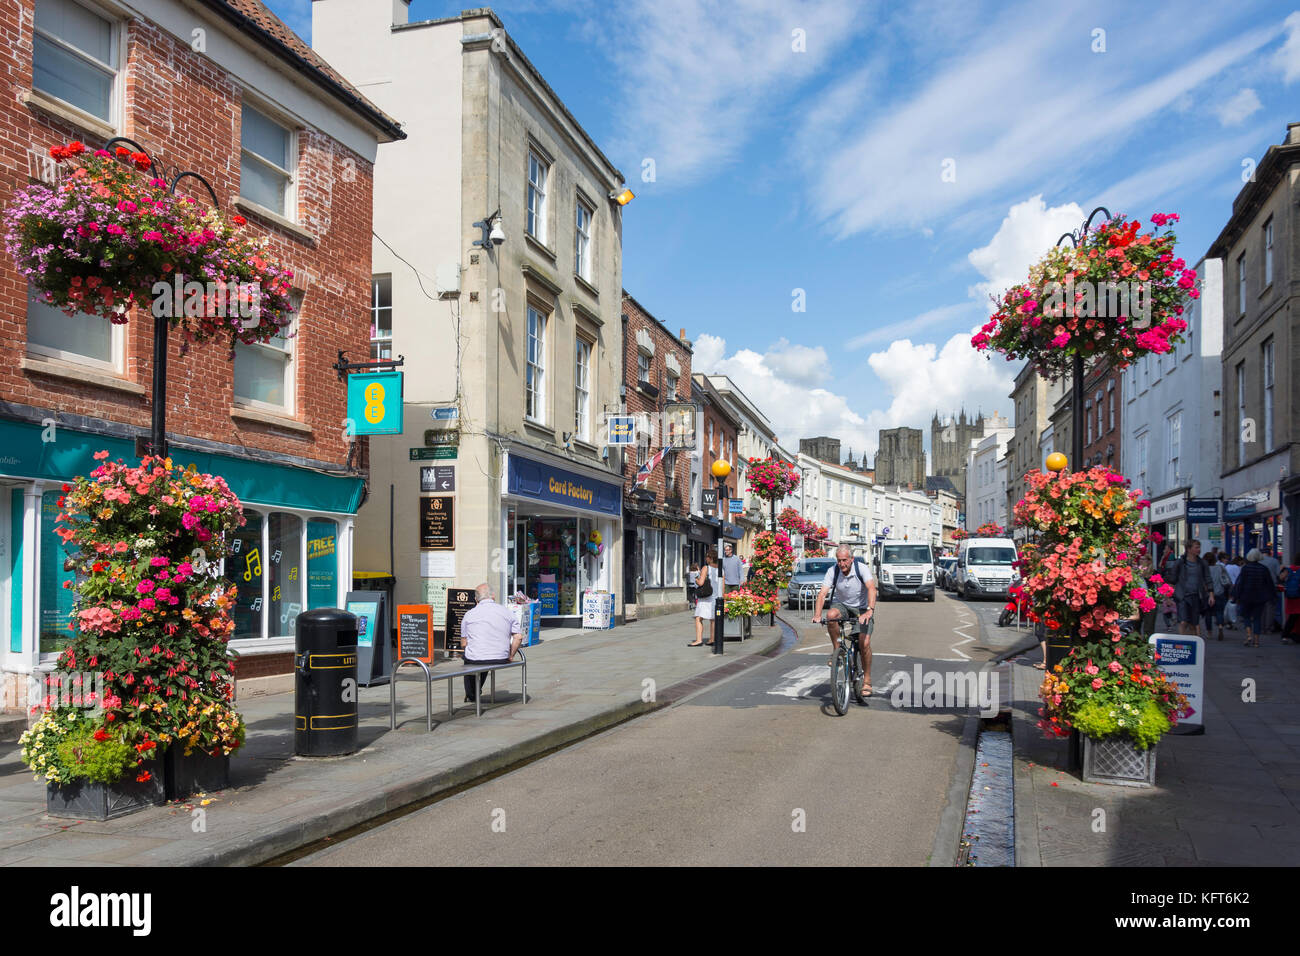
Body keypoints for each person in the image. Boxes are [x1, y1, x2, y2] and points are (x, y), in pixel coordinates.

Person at [811, 545, 878, 696]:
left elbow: (872, 589)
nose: (842, 564)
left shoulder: (861, 569)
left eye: (845, 560)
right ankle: (837, 650)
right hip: (841, 605)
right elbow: (822, 594)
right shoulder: (833, 571)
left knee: (864, 643)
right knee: (830, 616)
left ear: (851, 559)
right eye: (839, 560)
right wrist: (817, 614)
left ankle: (867, 680)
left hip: (862, 608)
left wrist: (869, 611)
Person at [459, 584, 523, 703]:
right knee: (485, 657)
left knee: (473, 657)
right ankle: (474, 692)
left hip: (475, 658)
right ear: (493, 596)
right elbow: (518, 637)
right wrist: (511, 655)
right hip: (501, 657)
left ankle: (472, 693)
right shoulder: (507, 612)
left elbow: (464, 643)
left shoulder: (469, 614)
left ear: (476, 599)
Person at [1167, 539, 1213, 637]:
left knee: (1193, 623)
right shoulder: (1180, 563)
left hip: (1196, 595)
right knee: (1183, 621)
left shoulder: (1202, 563)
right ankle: (1182, 640)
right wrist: (1168, 597)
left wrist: (1211, 595)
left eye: (1199, 547)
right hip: (1182, 596)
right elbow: (1172, 580)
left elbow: (1208, 579)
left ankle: (1191, 642)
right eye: (1196, 547)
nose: (1199, 550)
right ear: (1188, 549)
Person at [1232, 549, 1277, 648]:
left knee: (1246, 616)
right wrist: (1273, 596)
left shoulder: (1245, 568)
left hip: (1246, 596)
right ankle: (1256, 641)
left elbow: (1240, 584)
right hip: (1260, 597)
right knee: (1257, 618)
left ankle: (1248, 635)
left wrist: (1236, 596)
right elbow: (1269, 584)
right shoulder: (1264, 569)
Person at [689, 550, 720, 646]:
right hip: (716, 597)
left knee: (698, 618)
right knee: (713, 619)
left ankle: (699, 640)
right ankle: (712, 639)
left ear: (710, 558)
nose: (706, 558)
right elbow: (722, 585)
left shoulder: (706, 568)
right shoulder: (721, 569)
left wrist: (696, 578)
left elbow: (701, 583)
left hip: (706, 597)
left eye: (707, 556)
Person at [1205, 552, 1230, 641]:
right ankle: (1220, 626)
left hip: (1207, 594)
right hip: (1219, 592)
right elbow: (1227, 579)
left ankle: (1209, 632)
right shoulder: (1220, 567)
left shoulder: (1205, 569)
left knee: (1208, 614)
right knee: (1219, 612)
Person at [1280, 553, 1300, 643]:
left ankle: (1286, 634)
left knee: (1292, 616)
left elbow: (1281, 578)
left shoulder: (1289, 569)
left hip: (1291, 596)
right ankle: (1291, 633)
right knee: (1295, 616)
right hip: (1298, 596)